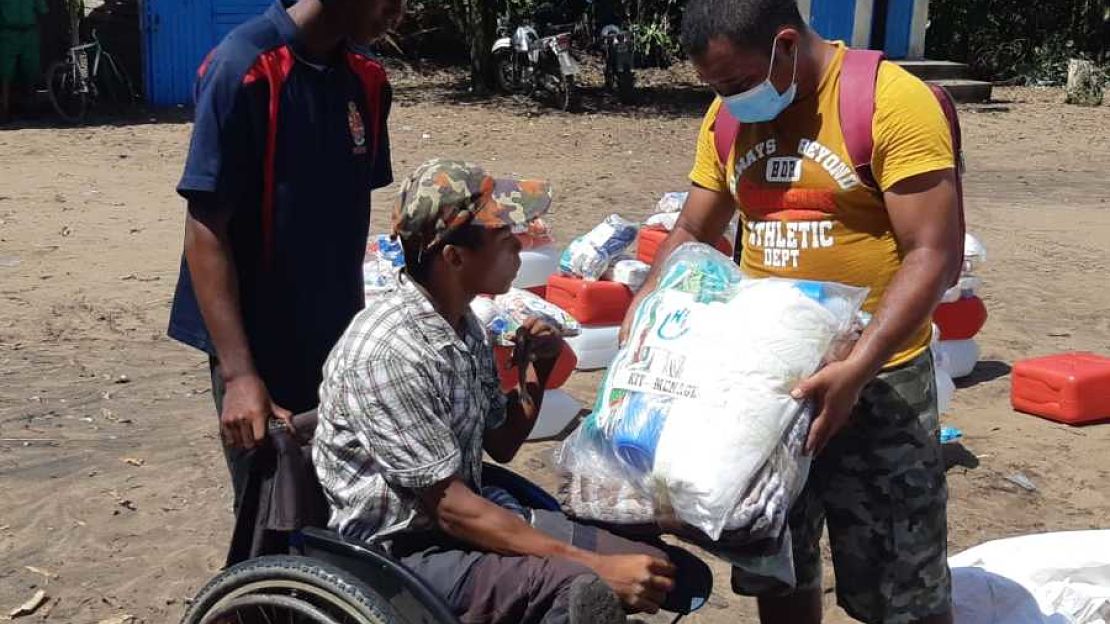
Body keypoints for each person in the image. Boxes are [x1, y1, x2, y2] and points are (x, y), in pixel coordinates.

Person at [620, 0, 963, 623]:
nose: (727, 98)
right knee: (776, 566)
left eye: (735, 83)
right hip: (762, 386)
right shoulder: (727, 119)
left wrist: (857, 366)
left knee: (902, 587)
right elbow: (695, 230)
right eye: (715, 88)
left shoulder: (891, 101)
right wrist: (648, 299)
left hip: (878, 384)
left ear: (785, 44)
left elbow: (934, 251)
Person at [313, 159, 685, 624]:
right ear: (454, 257)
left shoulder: (464, 324)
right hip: (403, 553)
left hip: (469, 515)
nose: (520, 246)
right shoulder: (391, 353)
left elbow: (502, 443)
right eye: (504, 239)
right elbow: (451, 510)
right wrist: (591, 564)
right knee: (584, 591)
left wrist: (538, 367)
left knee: (664, 571)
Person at [167, 0, 400, 538]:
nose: (401, 12)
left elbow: (342, 213)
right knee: (268, 507)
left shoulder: (366, 79)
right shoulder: (244, 68)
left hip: (334, 333)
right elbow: (206, 229)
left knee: (339, 497)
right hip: (256, 341)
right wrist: (241, 375)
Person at [0, 0, 46, 123]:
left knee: (31, 70)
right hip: (7, 33)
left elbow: (42, 10)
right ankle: (4, 109)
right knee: (5, 73)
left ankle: (30, 108)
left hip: (29, 33)